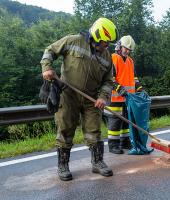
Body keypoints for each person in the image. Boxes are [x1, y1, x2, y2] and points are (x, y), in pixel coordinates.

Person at [40, 17, 118, 181]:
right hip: (68, 95)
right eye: (105, 41)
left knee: (94, 132)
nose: (107, 45)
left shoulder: (106, 56)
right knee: (65, 130)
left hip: (92, 99)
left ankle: (97, 162)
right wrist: (47, 68)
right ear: (96, 35)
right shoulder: (73, 41)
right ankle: (63, 165)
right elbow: (50, 50)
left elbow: (108, 80)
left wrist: (103, 97)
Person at [106, 35, 144, 154]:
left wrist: (140, 89)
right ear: (119, 46)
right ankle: (113, 145)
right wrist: (121, 90)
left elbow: (134, 78)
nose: (127, 51)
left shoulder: (130, 61)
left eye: (129, 50)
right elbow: (110, 79)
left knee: (126, 121)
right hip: (114, 97)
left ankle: (125, 142)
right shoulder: (113, 58)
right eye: (126, 48)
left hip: (128, 98)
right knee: (115, 122)